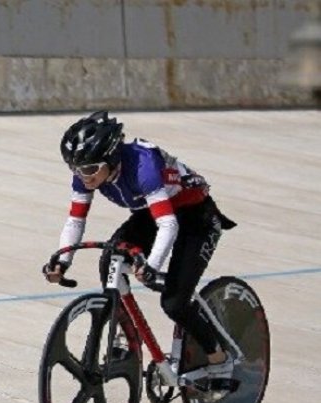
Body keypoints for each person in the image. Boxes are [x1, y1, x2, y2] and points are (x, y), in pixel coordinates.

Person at [43, 111, 237, 378]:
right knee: (111, 258)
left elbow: (169, 225)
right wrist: (63, 260)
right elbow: (75, 220)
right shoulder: (88, 167)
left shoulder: (143, 166)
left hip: (196, 218)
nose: (82, 176)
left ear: (110, 158)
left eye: (88, 170)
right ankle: (123, 334)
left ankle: (220, 359)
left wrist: (152, 267)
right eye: (75, 168)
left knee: (174, 304)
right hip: (153, 212)